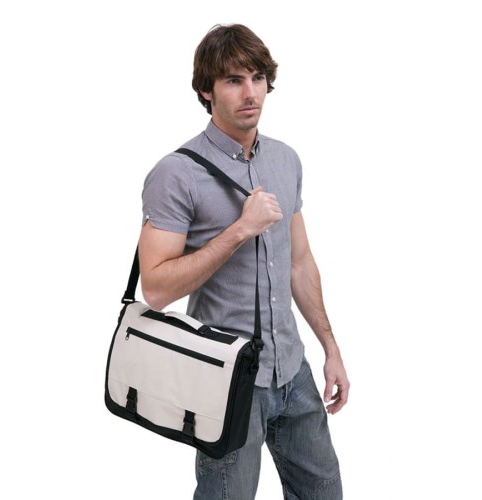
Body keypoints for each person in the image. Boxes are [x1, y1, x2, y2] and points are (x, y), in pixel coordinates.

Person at [138, 23, 349, 500]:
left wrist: (330, 349)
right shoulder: (176, 173)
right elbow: (156, 289)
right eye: (233, 80)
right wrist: (239, 230)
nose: (250, 93)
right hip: (226, 379)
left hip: (292, 368)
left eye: (257, 78)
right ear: (205, 90)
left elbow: (299, 263)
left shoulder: (286, 160)